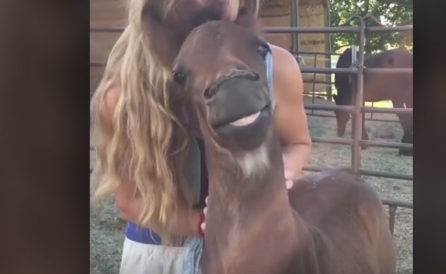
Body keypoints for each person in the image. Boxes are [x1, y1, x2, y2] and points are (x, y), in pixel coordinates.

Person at [90, 0, 311, 273]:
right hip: (161, 254)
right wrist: (204, 224)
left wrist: (280, 175)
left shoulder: (276, 68)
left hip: (257, 249)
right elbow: (129, 202)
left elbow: (297, 142)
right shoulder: (124, 97)